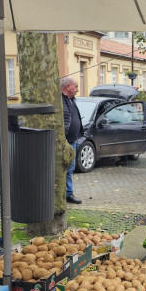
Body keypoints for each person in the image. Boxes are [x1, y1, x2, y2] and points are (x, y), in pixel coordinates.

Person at [61, 76, 84, 204]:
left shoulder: (72, 100)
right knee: (63, 168)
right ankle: (63, 194)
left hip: (72, 140)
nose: (77, 90)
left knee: (71, 168)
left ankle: (69, 193)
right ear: (68, 87)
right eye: (76, 87)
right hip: (63, 142)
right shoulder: (60, 100)